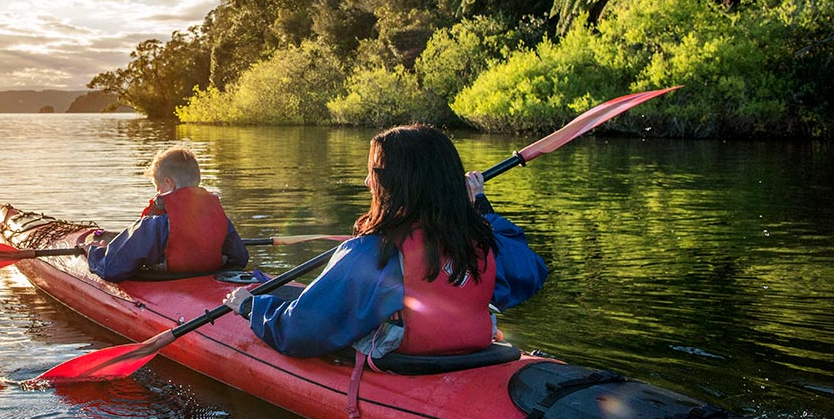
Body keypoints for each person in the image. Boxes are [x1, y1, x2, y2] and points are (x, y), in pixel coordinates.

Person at [223, 124, 547, 360]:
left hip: (407, 366)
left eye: (374, 172)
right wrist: (477, 208)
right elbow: (530, 269)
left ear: (396, 185)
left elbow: (299, 332)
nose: (367, 182)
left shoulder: (371, 255)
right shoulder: (479, 243)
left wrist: (251, 306)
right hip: (474, 356)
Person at [84, 147, 249, 282]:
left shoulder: (155, 224)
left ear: (169, 183)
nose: (157, 192)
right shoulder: (219, 217)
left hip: (171, 285)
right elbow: (240, 258)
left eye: (157, 186)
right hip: (208, 286)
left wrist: (93, 252)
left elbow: (111, 269)